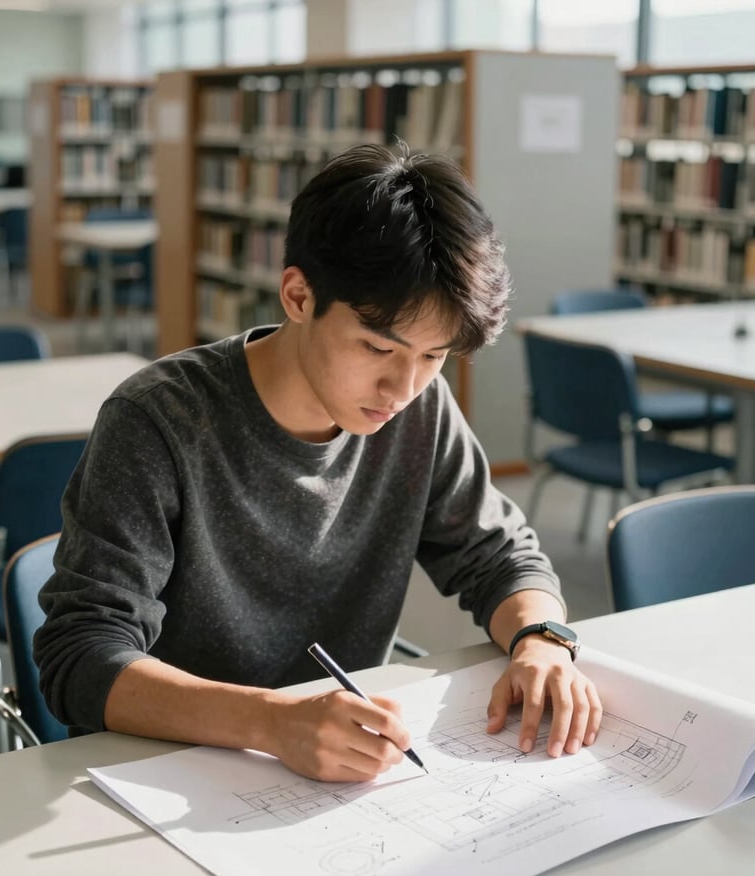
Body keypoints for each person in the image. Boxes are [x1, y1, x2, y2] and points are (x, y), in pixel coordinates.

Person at [34, 143, 602, 782]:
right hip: (164, 765)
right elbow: (80, 656)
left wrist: (543, 640)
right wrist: (272, 722)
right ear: (299, 296)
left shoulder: (419, 408)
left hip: (336, 768)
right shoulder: (158, 420)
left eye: (434, 356)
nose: (402, 388)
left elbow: (499, 556)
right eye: (375, 346)